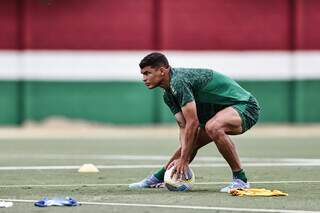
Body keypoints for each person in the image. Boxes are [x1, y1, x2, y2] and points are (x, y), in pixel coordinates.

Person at [129, 52, 260, 192]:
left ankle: (241, 180)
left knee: (213, 127)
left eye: (147, 73)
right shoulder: (168, 96)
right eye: (143, 74)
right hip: (218, 114)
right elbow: (184, 126)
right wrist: (183, 155)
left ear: (162, 71)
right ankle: (159, 177)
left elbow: (193, 122)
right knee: (192, 141)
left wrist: (184, 159)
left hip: (245, 106)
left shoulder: (178, 82)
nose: (144, 78)